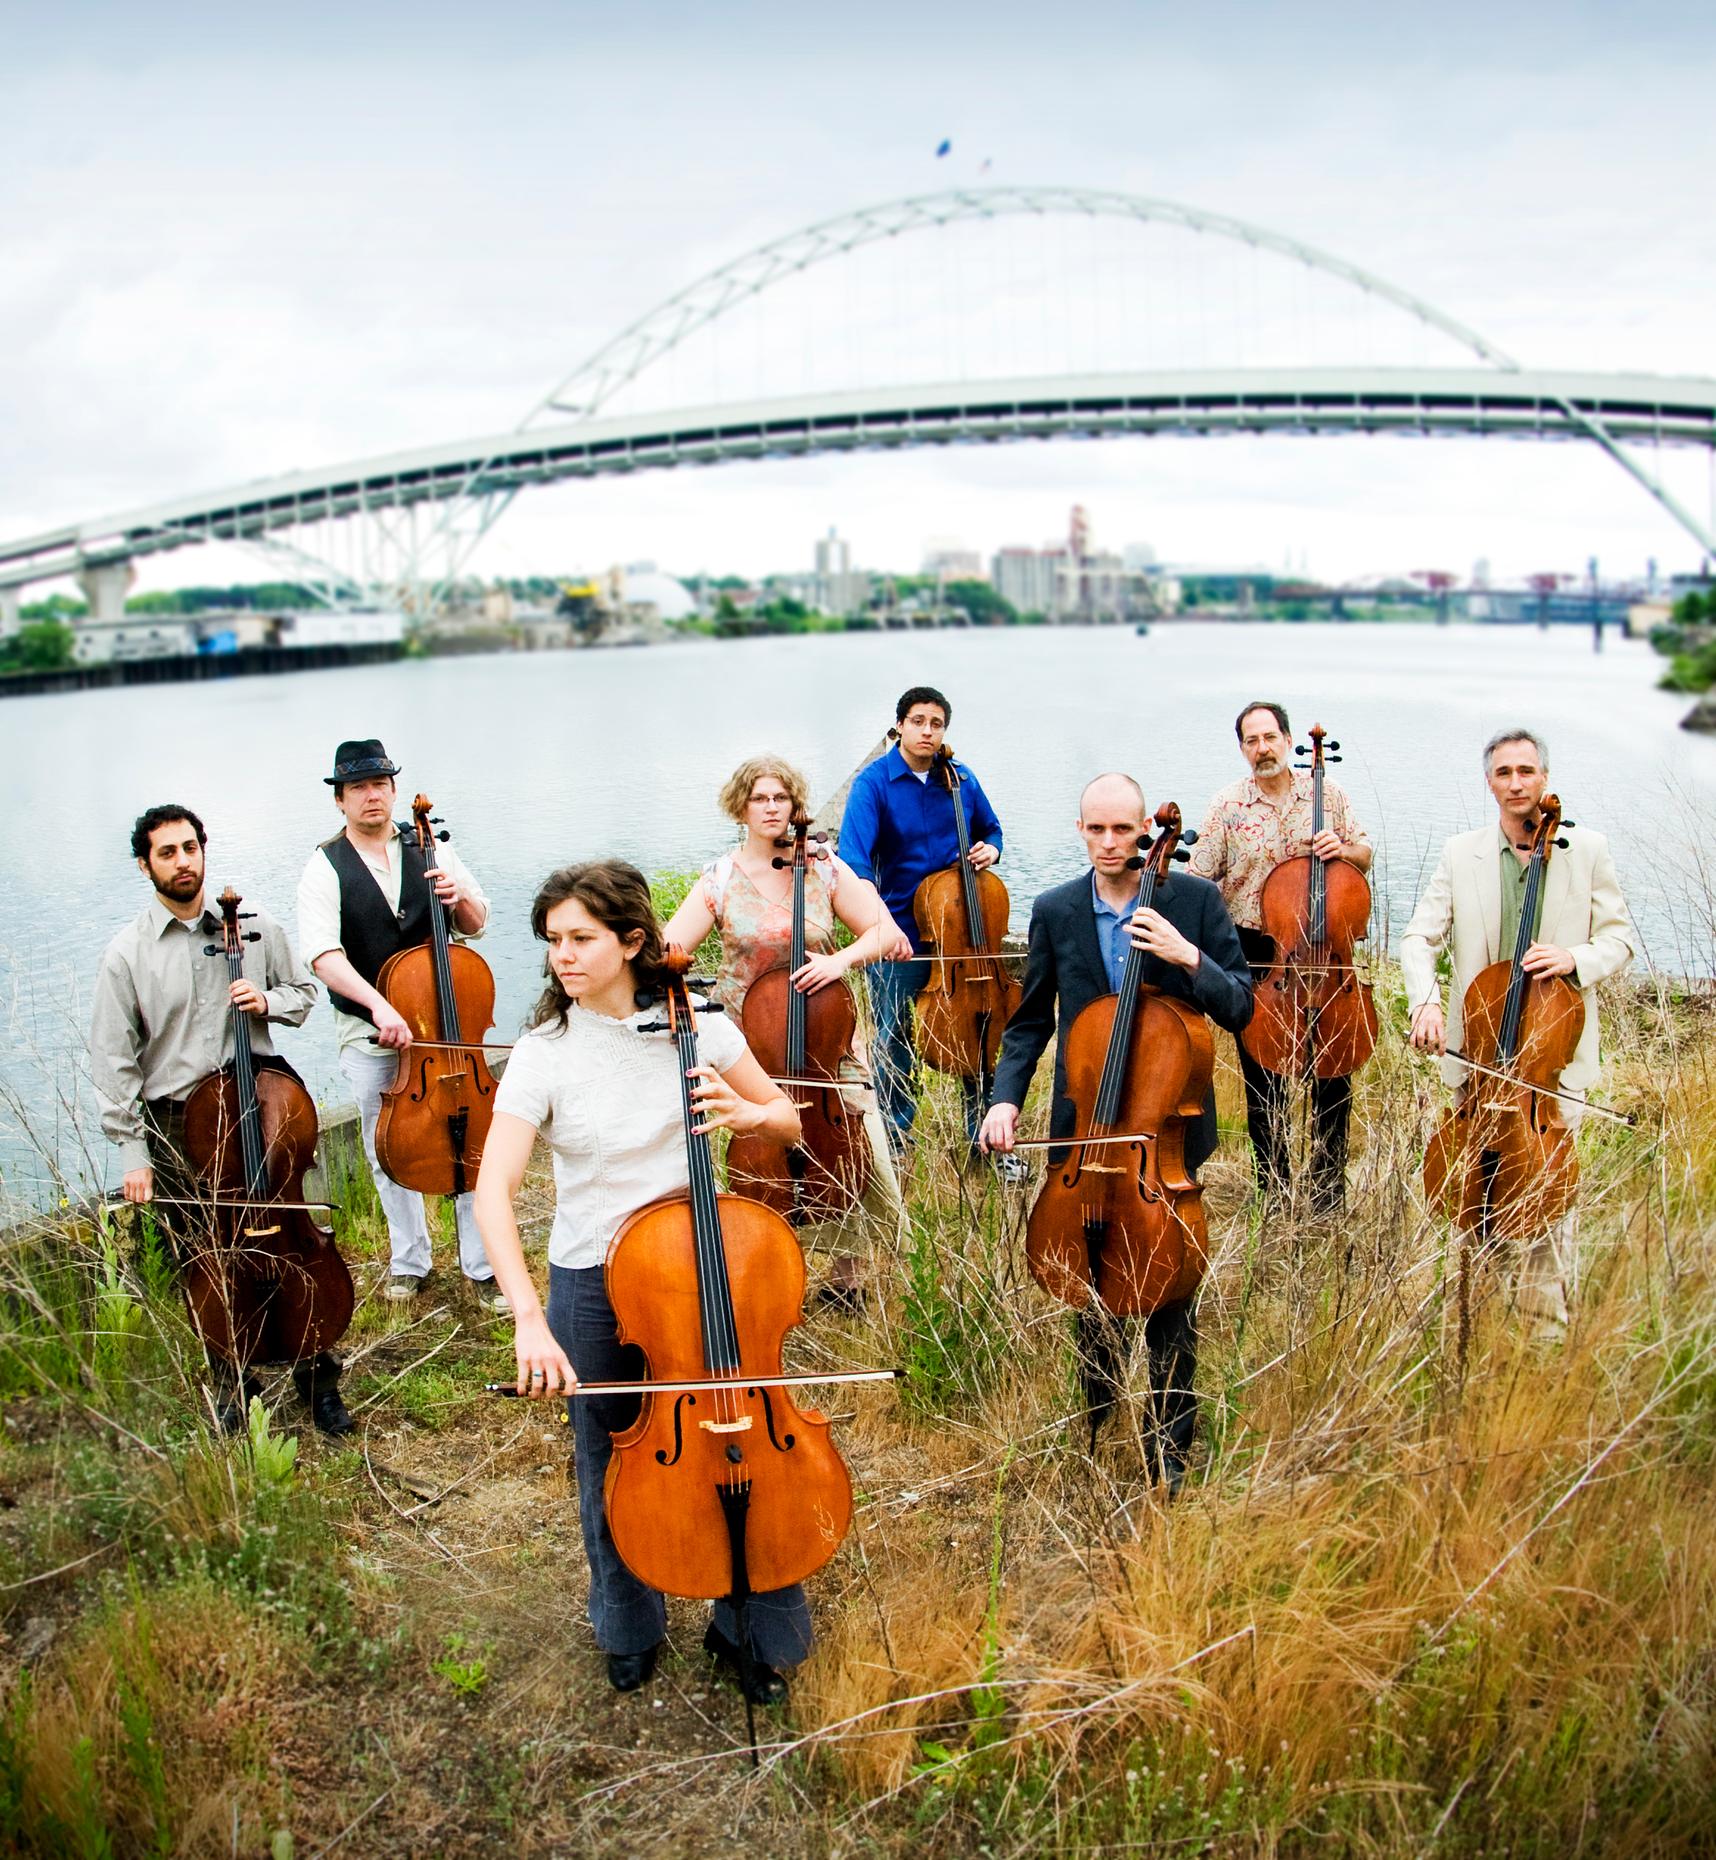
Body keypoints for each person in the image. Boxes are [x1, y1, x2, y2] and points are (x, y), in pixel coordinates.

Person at [474, 861, 810, 1700]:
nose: (564, 956)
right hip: (594, 1277)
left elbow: (788, 1119)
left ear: (632, 942)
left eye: (581, 939)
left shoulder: (700, 1027)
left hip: (706, 1272)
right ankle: (628, 1622)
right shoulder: (545, 1053)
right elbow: (492, 1189)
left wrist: (748, 1115)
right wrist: (526, 1317)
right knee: (613, 1461)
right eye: (552, 941)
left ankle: (750, 1625)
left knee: (741, 1443)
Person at [980, 774, 1253, 1489]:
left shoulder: (1191, 901)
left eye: (1123, 831)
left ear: (1144, 831)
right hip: (1085, 1135)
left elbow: (1241, 1007)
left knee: (1168, 1298)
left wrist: (1185, 953)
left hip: (1165, 1139)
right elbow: (1032, 1020)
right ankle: (1098, 1426)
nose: (1110, 844)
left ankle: (1171, 1449)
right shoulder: (1056, 909)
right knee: (1091, 1289)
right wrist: (1005, 1100)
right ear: (1081, 831)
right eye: (1095, 830)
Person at [89, 803, 350, 1436]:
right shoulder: (128, 954)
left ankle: (316, 1373)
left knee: (293, 1236)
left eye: (189, 848)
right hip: (181, 1120)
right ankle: (233, 1380)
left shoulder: (254, 928)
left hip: (266, 1104)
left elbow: (305, 993)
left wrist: (267, 999)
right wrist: (131, 1152)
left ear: (204, 850)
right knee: (200, 1254)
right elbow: (113, 1059)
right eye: (167, 852)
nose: (182, 861)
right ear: (146, 864)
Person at [1402, 728, 1636, 1334]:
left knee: (1544, 1211)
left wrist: (1574, 960)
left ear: (1544, 779)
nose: (1516, 783)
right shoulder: (1462, 852)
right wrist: (1426, 1001)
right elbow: (1417, 939)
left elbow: (1620, 940)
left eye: (1526, 771)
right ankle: (1477, 1329)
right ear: (1490, 782)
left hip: (1546, 1064)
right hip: (1478, 1056)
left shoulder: (1586, 850)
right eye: (1503, 772)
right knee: (1476, 1206)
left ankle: (1544, 1338)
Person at [661, 754, 906, 1299]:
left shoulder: (825, 868)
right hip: (748, 1044)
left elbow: (882, 933)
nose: (772, 808)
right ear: (741, 808)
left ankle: (847, 1280)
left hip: (824, 1035)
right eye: (760, 799)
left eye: (781, 798)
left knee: (851, 1136)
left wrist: (838, 962)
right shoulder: (720, 879)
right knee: (753, 1146)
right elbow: (671, 949)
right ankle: (762, 1266)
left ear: (795, 805)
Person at [296, 739, 506, 1310]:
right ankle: (409, 1260)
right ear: (340, 800)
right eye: (359, 787)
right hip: (370, 1034)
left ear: (393, 790)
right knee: (387, 1147)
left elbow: (478, 923)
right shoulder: (325, 865)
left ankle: (482, 1264)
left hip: (448, 1033)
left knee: (470, 1139)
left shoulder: (430, 843)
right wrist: (379, 1006)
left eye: (380, 784)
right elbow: (323, 956)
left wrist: (458, 896)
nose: (372, 795)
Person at [1190, 699, 1373, 1215]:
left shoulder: (1327, 794)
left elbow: (1365, 852)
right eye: (1251, 740)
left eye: (1269, 737)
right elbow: (1203, 877)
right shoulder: (1228, 805)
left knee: (1333, 1073)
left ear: (1288, 740)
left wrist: (1343, 849)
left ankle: (1326, 1187)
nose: (1262, 748)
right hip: (1256, 949)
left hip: (1323, 948)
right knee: (1262, 1077)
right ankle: (1273, 1187)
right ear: (1243, 749)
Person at [837, 685, 1007, 1161]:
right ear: (900, 726)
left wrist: (991, 848)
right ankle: (897, 1138)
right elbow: (854, 863)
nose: (927, 731)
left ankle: (985, 1136)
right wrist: (880, 928)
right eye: (918, 721)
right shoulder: (873, 784)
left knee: (980, 1027)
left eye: (936, 723)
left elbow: (991, 829)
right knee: (894, 1038)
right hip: (899, 935)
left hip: (961, 935)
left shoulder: (962, 779)